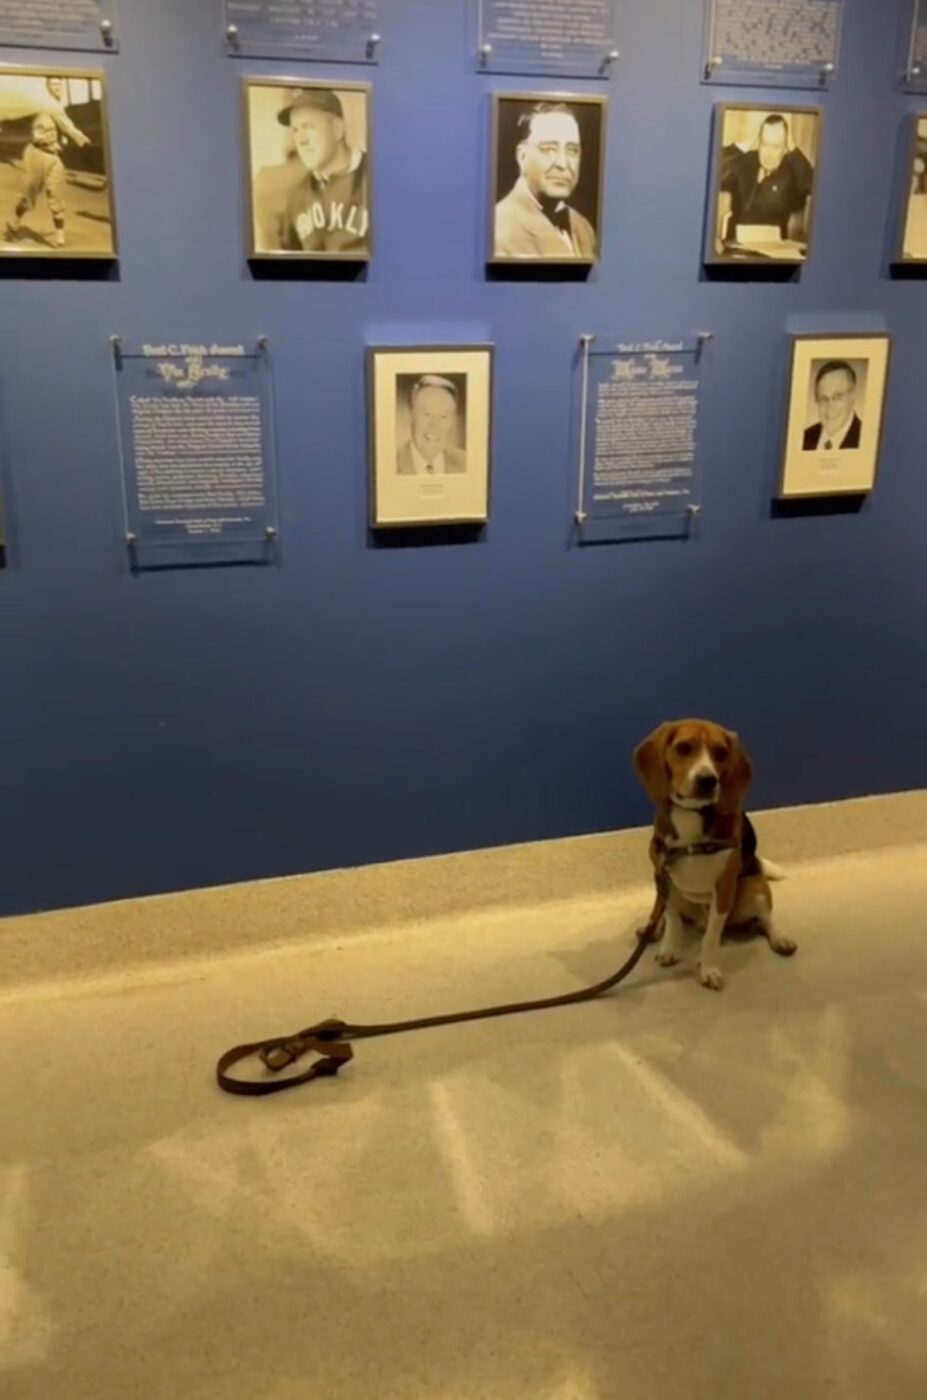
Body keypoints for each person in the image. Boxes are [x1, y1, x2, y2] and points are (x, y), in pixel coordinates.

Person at [494, 102, 597, 260]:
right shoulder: (499, 228)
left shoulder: (584, 227)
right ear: (522, 157)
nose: (563, 164)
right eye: (549, 149)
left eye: (572, 150)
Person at [275, 88, 370, 254]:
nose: (301, 140)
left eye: (309, 126)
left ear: (337, 129)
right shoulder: (297, 198)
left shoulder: (381, 177)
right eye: (295, 130)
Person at [717, 113, 813, 253]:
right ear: (758, 142)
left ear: (785, 147)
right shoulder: (745, 163)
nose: (769, 154)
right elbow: (714, 172)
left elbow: (810, 185)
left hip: (774, 256)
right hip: (737, 252)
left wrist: (794, 149)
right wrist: (743, 145)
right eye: (765, 144)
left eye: (776, 147)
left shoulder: (791, 171)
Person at [4, 111, 69, 248]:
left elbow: (63, 129)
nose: (57, 89)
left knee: (56, 194)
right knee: (29, 195)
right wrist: (48, 140)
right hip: (37, 154)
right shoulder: (41, 114)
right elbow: (37, 137)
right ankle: (13, 224)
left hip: (53, 157)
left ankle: (60, 238)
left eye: (58, 87)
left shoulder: (58, 112)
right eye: (54, 87)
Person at [396, 376, 467, 476]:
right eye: (427, 414)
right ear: (411, 413)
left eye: (443, 416)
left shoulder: (467, 462)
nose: (434, 427)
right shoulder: (389, 464)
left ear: (453, 421)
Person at [0, 74, 90, 150]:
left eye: (59, 85)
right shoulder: (50, 103)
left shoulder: (42, 99)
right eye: (53, 85)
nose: (57, 88)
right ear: (48, 86)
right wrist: (84, 142)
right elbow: (68, 127)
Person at [803, 361, 863, 451]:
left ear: (852, 396)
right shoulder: (804, 437)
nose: (830, 408)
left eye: (837, 397)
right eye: (823, 399)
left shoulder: (866, 439)